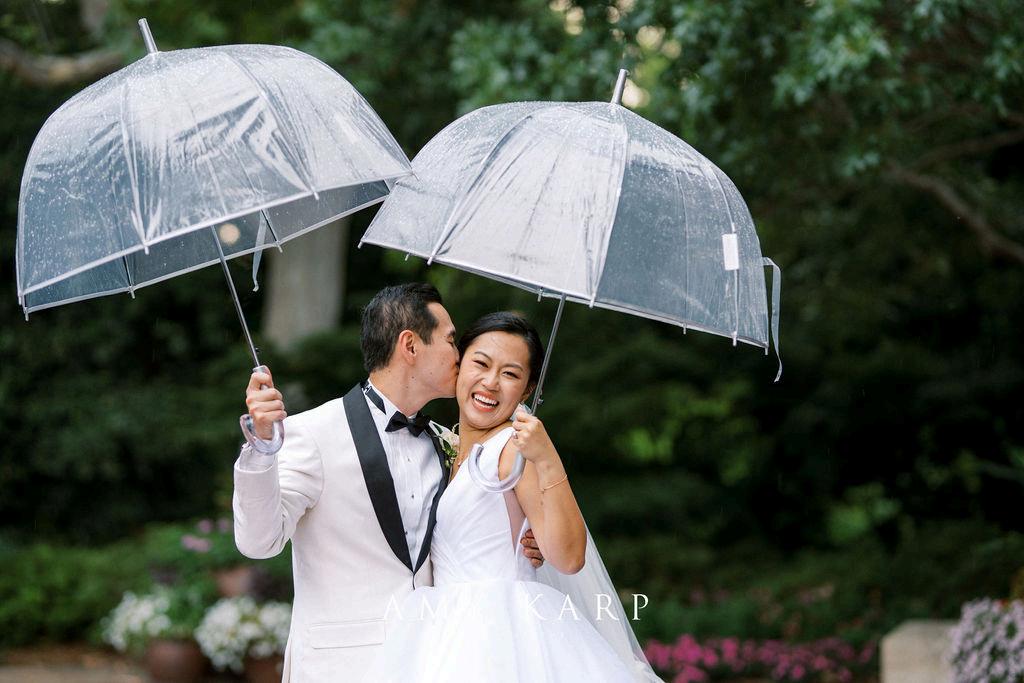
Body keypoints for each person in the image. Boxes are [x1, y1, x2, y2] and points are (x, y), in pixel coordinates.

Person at [232, 284, 543, 682]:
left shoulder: (445, 442)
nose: (460, 356)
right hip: (341, 668)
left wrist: (523, 544)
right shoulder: (312, 433)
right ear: (410, 346)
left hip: (431, 660)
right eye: (451, 341)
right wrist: (261, 449)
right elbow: (258, 542)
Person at [361, 311, 661, 682]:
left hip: (500, 632)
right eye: (481, 364)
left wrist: (546, 458)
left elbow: (569, 558)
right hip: (441, 627)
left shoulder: (514, 451)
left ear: (528, 389)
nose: (490, 383)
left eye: (510, 374)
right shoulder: (444, 448)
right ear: (459, 365)